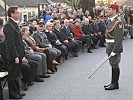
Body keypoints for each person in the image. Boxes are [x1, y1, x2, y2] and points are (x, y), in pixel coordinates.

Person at [3, 7, 27, 99]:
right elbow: (10, 43)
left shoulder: (14, 24)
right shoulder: (9, 25)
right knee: (12, 75)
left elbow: (18, 41)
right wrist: (15, 56)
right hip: (14, 55)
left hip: (18, 53)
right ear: (12, 14)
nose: (19, 14)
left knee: (17, 74)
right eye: (17, 13)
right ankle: (13, 94)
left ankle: (17, 91)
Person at [104, 4, 124, 90]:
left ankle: (115, 84)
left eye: (109, 9)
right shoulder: (110, 20)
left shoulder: (118, 22)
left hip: (114, 47)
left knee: (115, 64)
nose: (107, 10)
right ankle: (113, 82)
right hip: (109, 46)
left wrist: (115, 50)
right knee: (112, 64)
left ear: (114, 10)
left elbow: (119, 39)